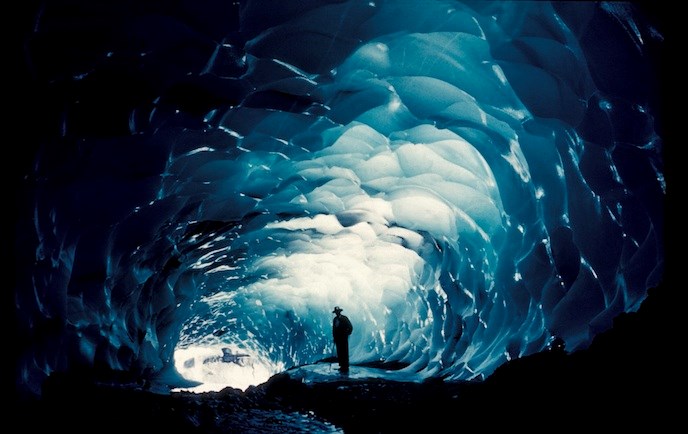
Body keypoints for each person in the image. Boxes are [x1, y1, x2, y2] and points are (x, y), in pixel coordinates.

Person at [332, 306, 353, 372]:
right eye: (336, 312)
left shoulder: (344, 318)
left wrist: (347, 333)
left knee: (345, 351)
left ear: (340, 312)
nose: (337, 313)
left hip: (343, 337)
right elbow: (334, 329)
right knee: (339, 351)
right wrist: (334, 337)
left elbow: (350, 326)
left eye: (338, 312)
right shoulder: (335, 319)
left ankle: (345, 365)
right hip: (338, 338)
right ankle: (341, 365)